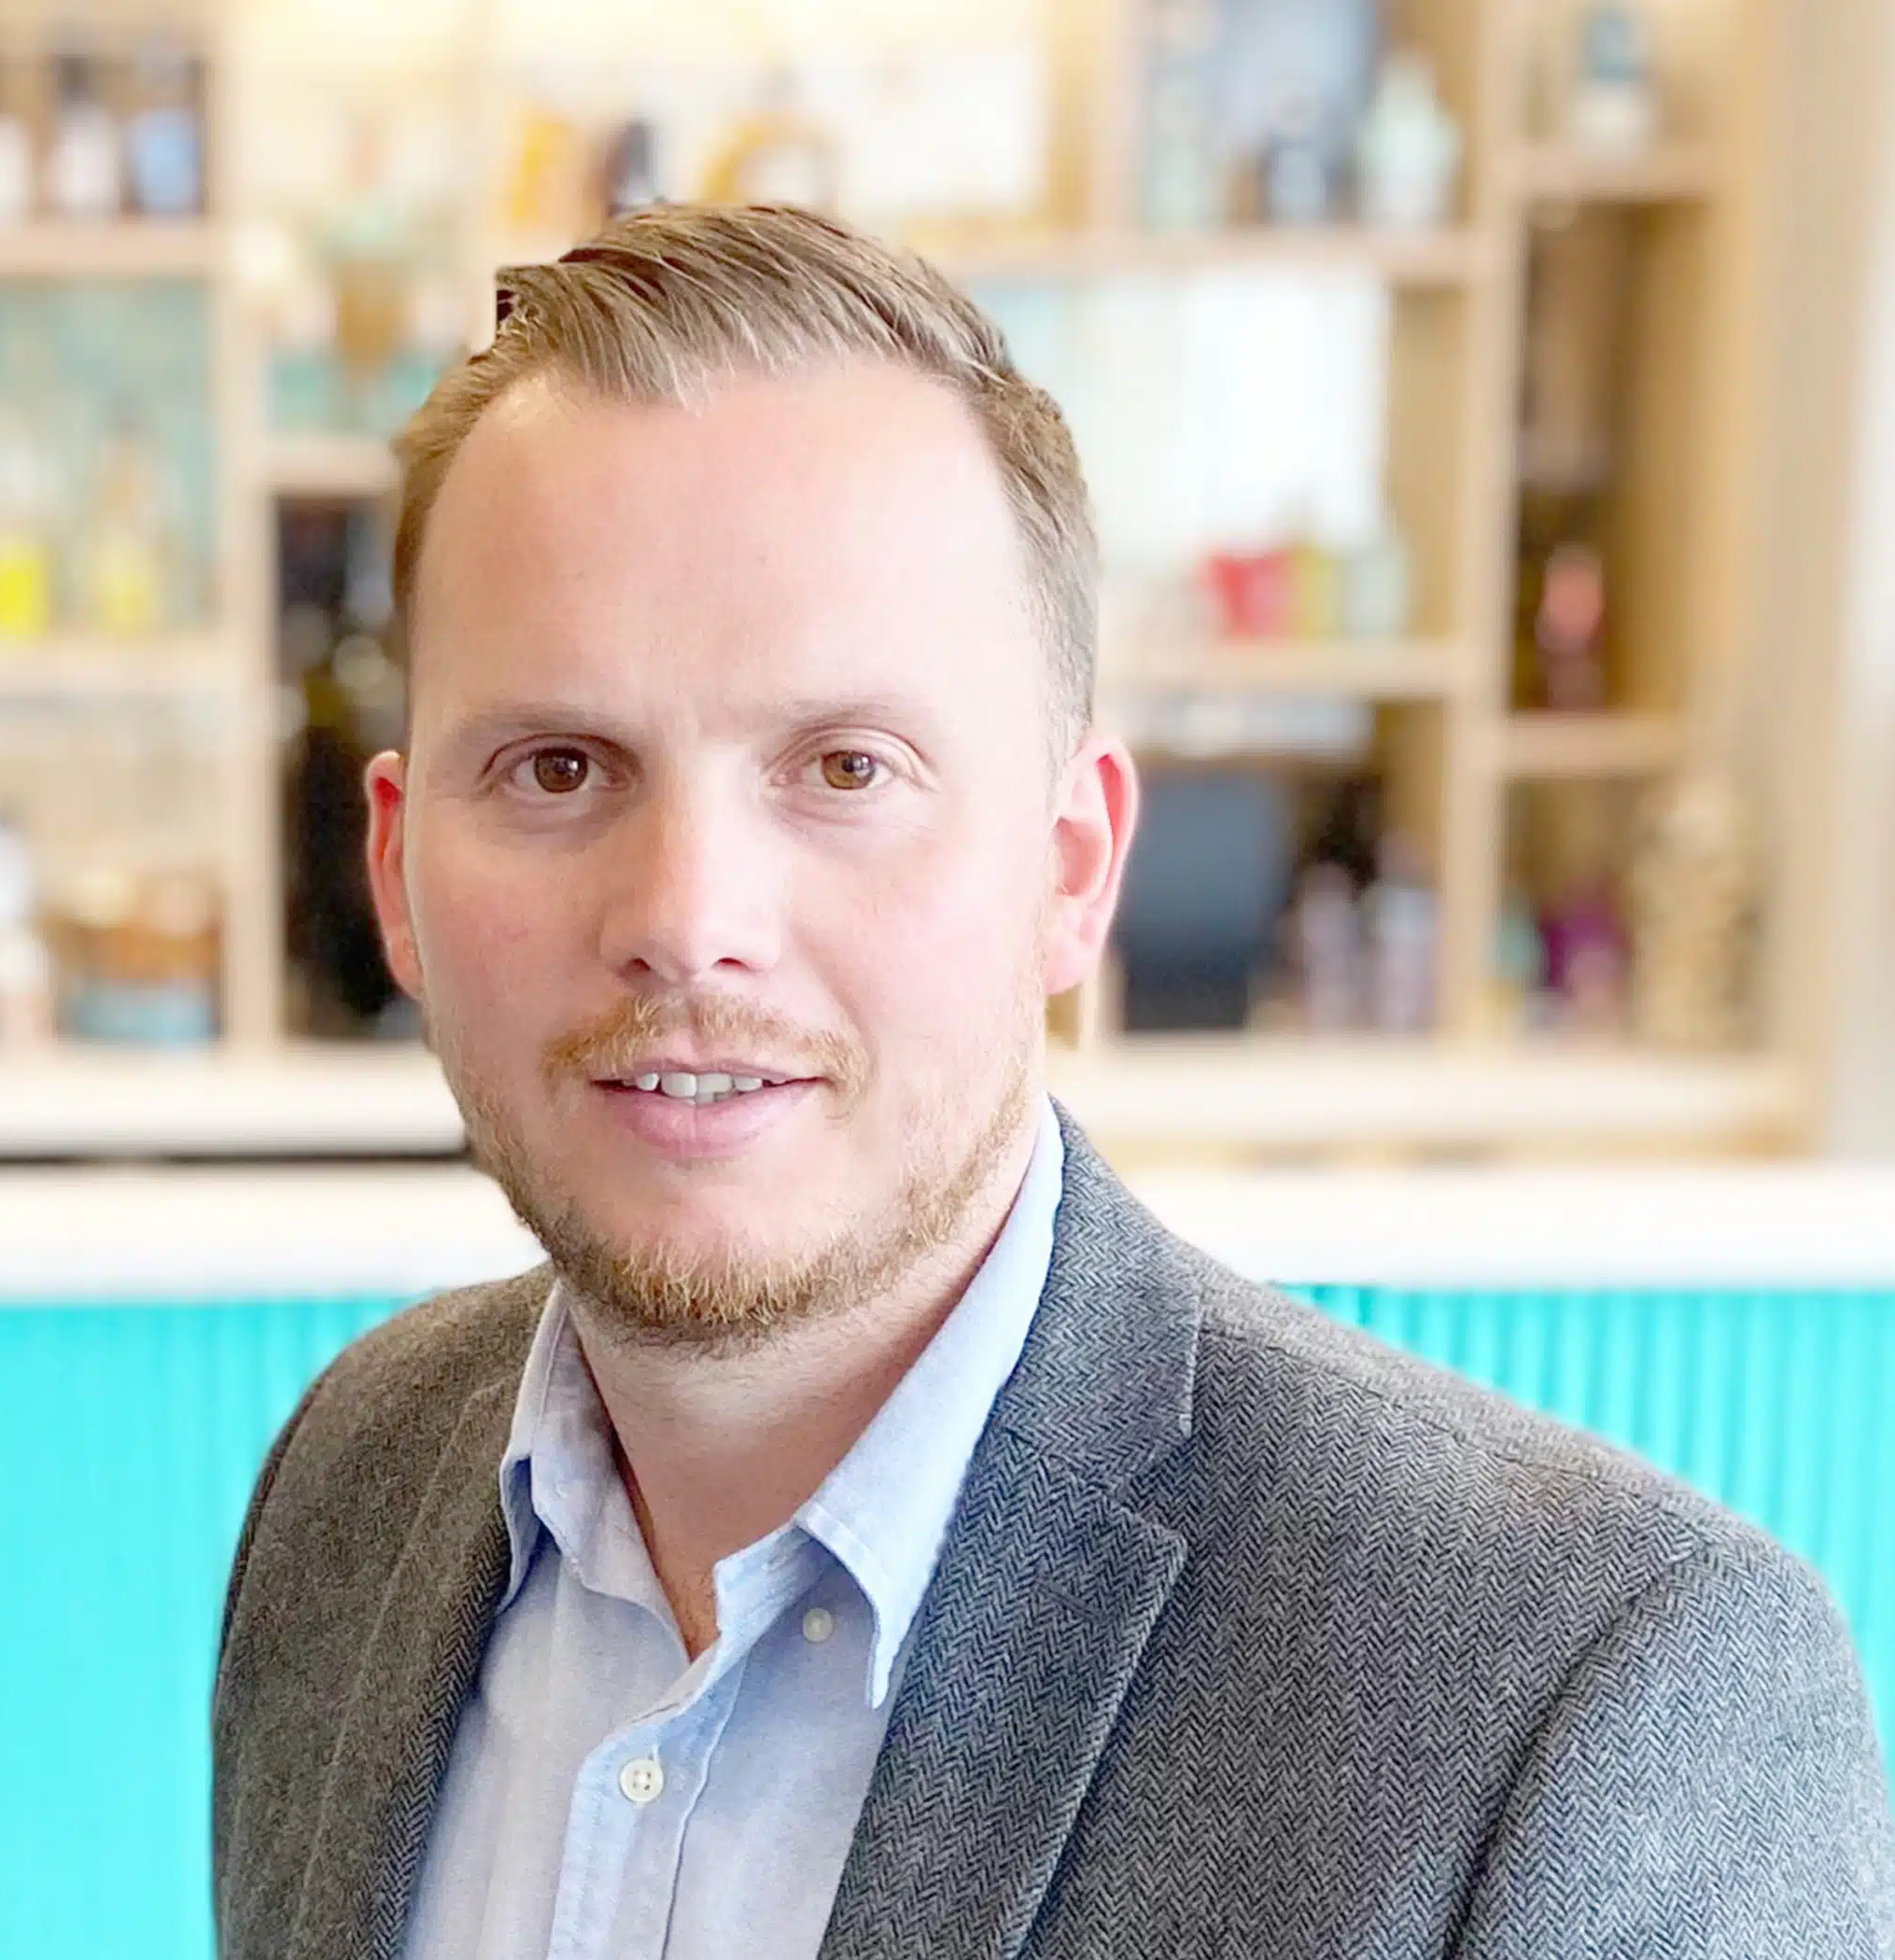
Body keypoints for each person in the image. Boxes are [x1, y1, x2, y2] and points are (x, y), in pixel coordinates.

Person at [211, 203, 1895, 1960]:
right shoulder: (347, 1488)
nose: (689, 921)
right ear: (398, 872)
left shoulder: (1592, 1708)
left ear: (1073, 866)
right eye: (561, 766)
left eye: (845, 767)